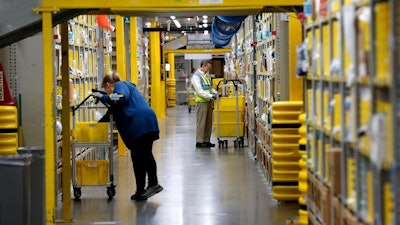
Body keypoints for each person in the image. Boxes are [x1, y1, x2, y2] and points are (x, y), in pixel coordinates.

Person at [94, 72, 163, 201]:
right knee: (137, 158)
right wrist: (94, 127)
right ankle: (140, 190)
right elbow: (111, 114)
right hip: (141, 124)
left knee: (145, 154)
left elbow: (121, 98)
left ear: (108, 85)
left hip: (141, 124)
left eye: (106, 89)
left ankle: (154, 184)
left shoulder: (121, 85)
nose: (107, 92)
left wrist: (103, 97)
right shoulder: (118, 96)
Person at [191, 59, 217, 148]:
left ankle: (206, 140)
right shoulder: (196, 76)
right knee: (201, 122)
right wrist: (210, 96)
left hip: (209, 101)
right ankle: (199, 141)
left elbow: (209, 88)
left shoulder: (207, 76)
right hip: (201, 102)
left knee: (208, 122)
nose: (208, 70)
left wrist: (215, 93)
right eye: (208, 68)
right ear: (203, 66)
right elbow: (199, 91)